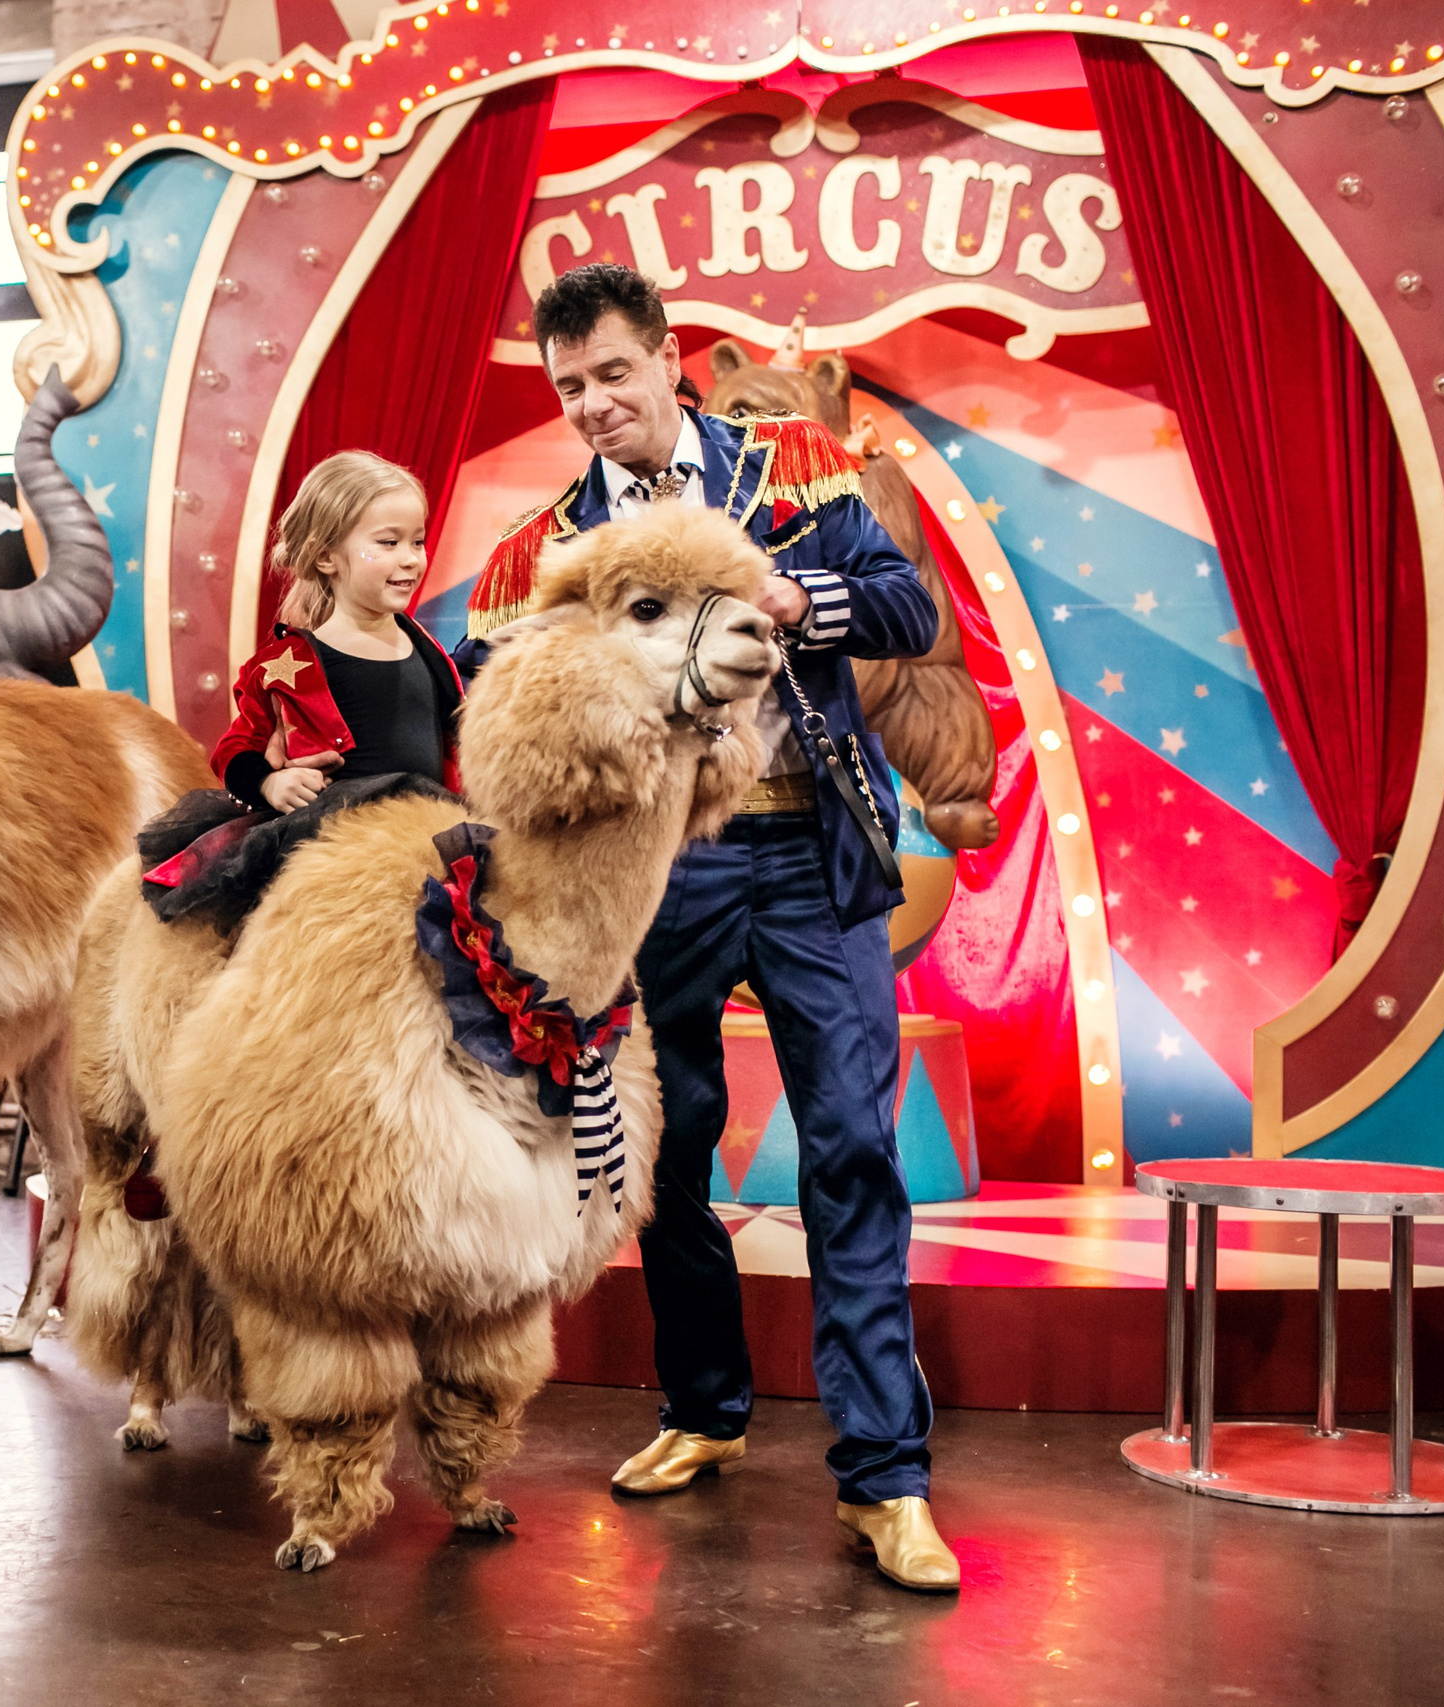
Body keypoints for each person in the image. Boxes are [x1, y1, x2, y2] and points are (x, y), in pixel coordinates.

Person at [463, 264, 959, 1591]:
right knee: (666, 1150)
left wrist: (802, 604)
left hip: (813, 849)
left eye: (613, 374)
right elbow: (493, 674)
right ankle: (702, 1406)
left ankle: (887, 1476)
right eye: (569, 388)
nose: (593, 405)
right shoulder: (550, 543)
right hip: (661, 868)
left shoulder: (791, 464)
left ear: (669, 359)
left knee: (850, 1142)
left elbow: (912, 611)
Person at [139, 451, 462, 933]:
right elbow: (235, 751)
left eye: (417, 541)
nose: (411, 558)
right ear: (325, 556)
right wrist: (270, 783)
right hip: (334, 844)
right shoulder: (287, 667)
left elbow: (455, 733)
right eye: (388, 542)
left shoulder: (429, 651)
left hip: (429, 838)